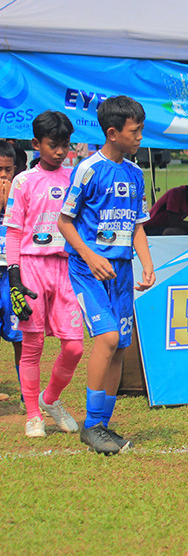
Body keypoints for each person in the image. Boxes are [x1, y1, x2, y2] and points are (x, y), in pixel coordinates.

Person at [58, 96, 155, 455]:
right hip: (89, 270)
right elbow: (64, 221)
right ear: (112, 133)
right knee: (109, 339)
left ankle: (102, 424)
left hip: (123, 272)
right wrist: (89, 254)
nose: (140, 137)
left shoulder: (135, 174)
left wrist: (147, 263)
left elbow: (139, 226)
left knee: (121, 348)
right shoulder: (88, 170)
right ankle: (91, 425)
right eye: (135, 131)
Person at [4, 111, 85, 438]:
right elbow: (12, 232)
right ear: (36, 144)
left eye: (65, 145)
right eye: (53, 145)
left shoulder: (75, 178)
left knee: (75, 347)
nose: (60, 151)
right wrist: (14, 278)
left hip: (66, 268)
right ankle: (33, 415)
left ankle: (50, 399)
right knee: (32, 344)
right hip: (32, 267)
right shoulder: (23, 181)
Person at [0, 141, 23, 403]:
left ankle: (26, 392)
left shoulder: (21, 192)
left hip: (12, 274)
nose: (4, 176)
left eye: (8, 170)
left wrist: (8, 206)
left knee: (19, 336)